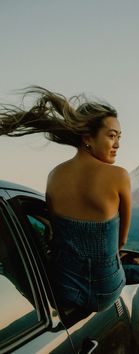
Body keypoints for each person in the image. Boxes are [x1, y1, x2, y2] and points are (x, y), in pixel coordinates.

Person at [0, 86, 131, 312]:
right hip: (107, 289)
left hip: (65, 289)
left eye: (119, 137)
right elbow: (121, 242)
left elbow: (57, 233)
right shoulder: (119, 176)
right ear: (87, 137)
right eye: (112, 136)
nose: (118, 144)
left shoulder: (55, 176)